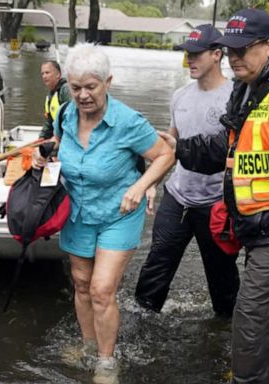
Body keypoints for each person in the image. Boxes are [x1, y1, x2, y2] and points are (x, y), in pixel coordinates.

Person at [32, 43, 174, 384]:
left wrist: (140, 187)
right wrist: (45, 157)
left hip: (118, 213)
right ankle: (88, 345)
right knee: (81, 284)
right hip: (79, 210)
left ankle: (107, 361)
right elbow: (57, 140)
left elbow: (165, 155)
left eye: (91, 87)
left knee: (101, 289)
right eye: (76, 87)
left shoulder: (127, 121)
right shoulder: (66, 113)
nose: (83, 95)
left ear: (108, 82)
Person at [159, 9, 269, 384]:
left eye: (244, 49)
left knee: (250, 322)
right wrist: (174, 148)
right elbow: (223, 150)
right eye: (230, 50)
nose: (235, 57)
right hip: (253, 227)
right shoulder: (246, 91)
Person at [135, 24, 240, 318]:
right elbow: (170, 148)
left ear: (217, 54)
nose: (189, 60)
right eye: (187, 54)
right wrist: (153, 182)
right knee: (154, 271)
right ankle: (140, 324)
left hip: (215, 204)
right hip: (177, 197)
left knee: (223, 285)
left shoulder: (235, 97)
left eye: (196, 54)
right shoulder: (179, 96)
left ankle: (226, 333)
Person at [39, 60, 71, 139]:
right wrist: (42, 137)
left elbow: (72, 117)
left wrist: (58, 138)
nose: (44, 76)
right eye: (42, 73)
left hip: (67, 136)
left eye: (47, 73)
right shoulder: (50, 95)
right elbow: (49, 121)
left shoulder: (65, 90)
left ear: (58, 75)